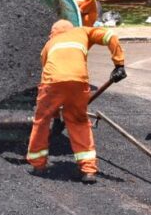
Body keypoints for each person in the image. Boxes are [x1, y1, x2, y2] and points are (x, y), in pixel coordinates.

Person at [26, 20, 126, 184]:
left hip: (52, 83)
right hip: (78, 82)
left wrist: (55, 117)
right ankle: (88, 170)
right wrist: (119, 64)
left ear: (53, 33)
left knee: (42, 121)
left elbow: (48, 75)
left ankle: (38, 165)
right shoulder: (83, 32)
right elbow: (110, 35)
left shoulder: (49, 44)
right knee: (79, 121)